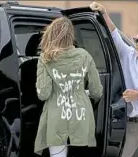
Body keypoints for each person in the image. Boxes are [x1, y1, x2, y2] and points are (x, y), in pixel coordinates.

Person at [90, 2, 138, 157]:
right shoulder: (128, 55)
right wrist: (104, 13)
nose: (137, 44)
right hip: (130, 124)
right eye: (136, 40)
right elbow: (114, 34)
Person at [34, 17, 103, 157]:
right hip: (81, 116)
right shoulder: (85, 56)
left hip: (56, 116)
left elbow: (44, 94)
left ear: (51, 34)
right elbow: (97, 91)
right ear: (71, 35)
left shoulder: (45, 58)